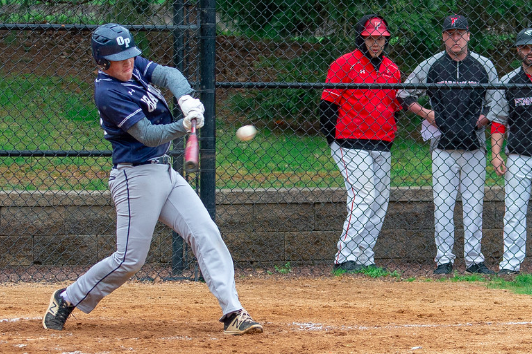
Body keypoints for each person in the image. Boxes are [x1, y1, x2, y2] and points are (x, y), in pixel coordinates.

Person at [42, 23, 263, 335]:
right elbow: (147, 135)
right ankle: (68, 298)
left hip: (164, 171)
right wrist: (183, 125)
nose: (128, 62)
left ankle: (233, 312)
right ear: (102, 62)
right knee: (129, 260)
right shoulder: (108, 92)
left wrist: (185, 98)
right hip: (135, 177)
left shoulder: (132, 68)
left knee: (206, 233)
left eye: (130, 55)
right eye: (119, 59)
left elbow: (169, 74)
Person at [398, 15, 498, 275]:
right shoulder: (431, 65)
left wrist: (483, 119)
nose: (456, 38)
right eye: (450, 33)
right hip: (442, 147)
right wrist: (427, 114)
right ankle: (444, 259)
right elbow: (403, 93)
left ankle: (475, 259)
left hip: (475, 146)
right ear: (443, 36)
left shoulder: (483, 65)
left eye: (460, 32)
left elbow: (497, 101)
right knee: (443, 203)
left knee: (474, 204)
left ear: (468, 35)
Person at [320, 14, 401, 272]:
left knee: (380, 200)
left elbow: (395, 108)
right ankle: (345, 256)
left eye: (380, 38)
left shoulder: (392, 69)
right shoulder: (345, 64)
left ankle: (365, 255)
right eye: (370, 38)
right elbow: (327, 106)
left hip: (382, 142)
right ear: (362, 38)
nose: (376, 43)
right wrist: (334, 141)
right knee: (364, 195)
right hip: (350, 142)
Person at [489, 28, 532, 275]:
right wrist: (496, 154)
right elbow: (498, 121)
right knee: (514, 209)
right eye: (525, 48)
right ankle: (510, 263)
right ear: (518, 50)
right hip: (518, 154)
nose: (530, 52)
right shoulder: (507, 82)